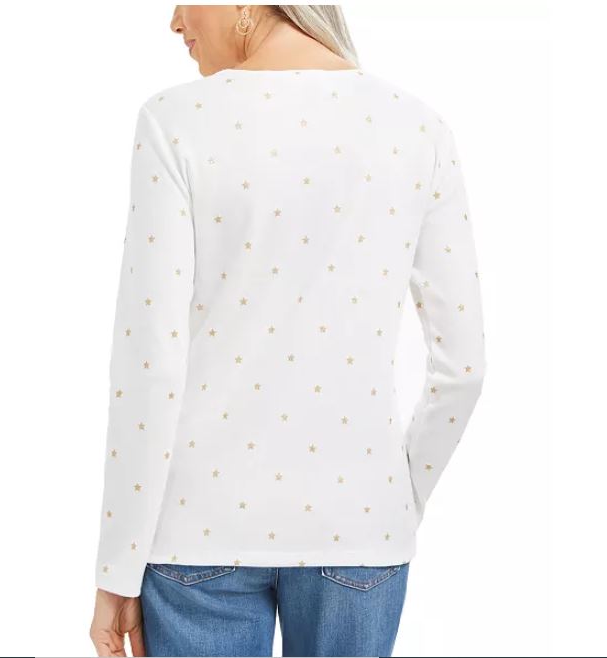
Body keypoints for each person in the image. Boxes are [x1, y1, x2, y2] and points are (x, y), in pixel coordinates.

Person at [89, 5, 487, 657]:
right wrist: (392, 502)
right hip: (360, 524)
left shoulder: (176, 120)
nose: (174, 20)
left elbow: (150, 364)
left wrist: (118, 564)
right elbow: (463, 369)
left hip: (197, 529)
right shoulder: (418, 127)